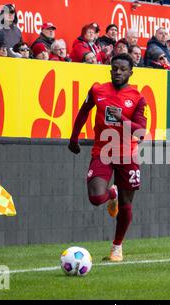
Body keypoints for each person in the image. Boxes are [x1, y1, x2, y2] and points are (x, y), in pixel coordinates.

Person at [68, 53, 147, 262]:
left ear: (131, 72)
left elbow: (140, 132)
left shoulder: (137, 97)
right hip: (102, 151)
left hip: (127, 154)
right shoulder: (97, 90)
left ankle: (117, 247)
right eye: (114, 68)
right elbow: (83, 111)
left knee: (127, 203)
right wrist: (74, 137)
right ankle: (111, 193)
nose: (118, 72)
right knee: (95, 198)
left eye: (122, 69)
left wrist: (121, 118)